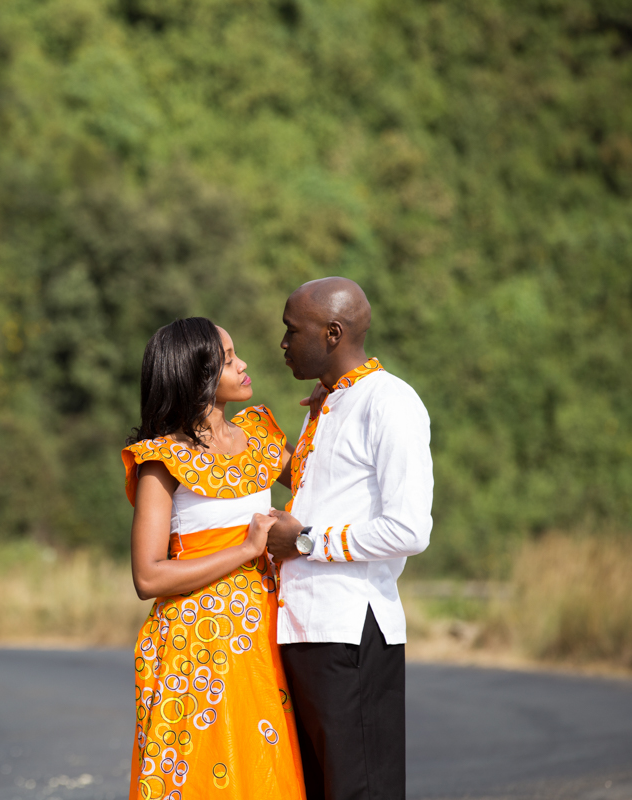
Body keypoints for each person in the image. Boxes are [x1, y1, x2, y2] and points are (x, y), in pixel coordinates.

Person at [122, 317, 307, 800]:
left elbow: (321, 483)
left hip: (269, 634)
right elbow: (148, 576)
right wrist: (246, 550)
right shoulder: (161, 462)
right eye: (228, 359)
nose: (244, 365)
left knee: (270, 771)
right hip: (196, 649)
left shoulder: (261, 438)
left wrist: (329, 415)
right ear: (195, 375)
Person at [267, 277, 434, 800]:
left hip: (351, 631)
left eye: (292, 331)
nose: (284, 343)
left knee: (360, 789)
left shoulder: (391, 402)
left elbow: (410, 528)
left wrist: (306, 541)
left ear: (332, 333)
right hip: (300, 629)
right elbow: (323, 493)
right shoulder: (331, 402)